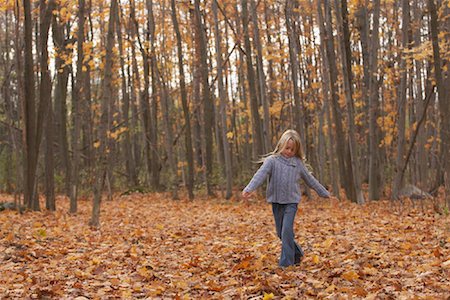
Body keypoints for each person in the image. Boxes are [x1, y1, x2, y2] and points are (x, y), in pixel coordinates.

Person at [242, 129, 330, 268]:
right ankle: (296, 253)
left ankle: (286, 264)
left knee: (286, 230)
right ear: (281, 145)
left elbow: (310, 179)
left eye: (292, 149)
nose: (289, 151)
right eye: (287, 148)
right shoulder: (272, 161)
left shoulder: (297, 163)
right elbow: (260, 174)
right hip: (276, 202)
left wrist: (323, 192)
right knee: (281, 234)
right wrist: (249, 188)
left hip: (291, 202)